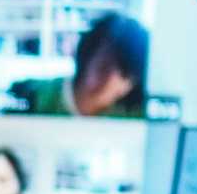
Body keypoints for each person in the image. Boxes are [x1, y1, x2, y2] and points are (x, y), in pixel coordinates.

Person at [8, 15, 150, 119]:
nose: (109, 78)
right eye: (104, 64)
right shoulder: (32, 96)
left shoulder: (135, 118)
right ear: (87, 55)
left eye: (123, 74)